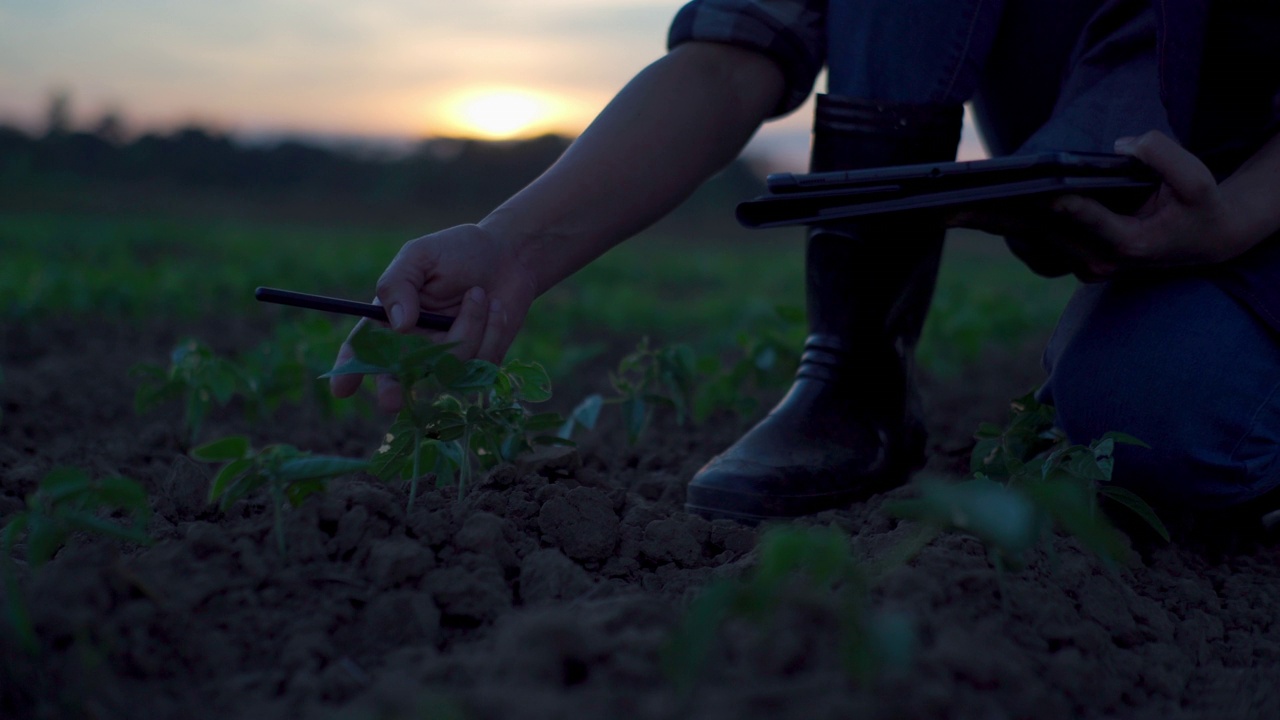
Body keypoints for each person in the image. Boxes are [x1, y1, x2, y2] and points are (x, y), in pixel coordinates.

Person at [331, 0, 1280, 523]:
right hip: (1132, 171)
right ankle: (854, 367)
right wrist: (508, 246)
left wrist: (1235, 216)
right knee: (1147, 414)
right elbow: (726, 59)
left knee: (1172, 424)